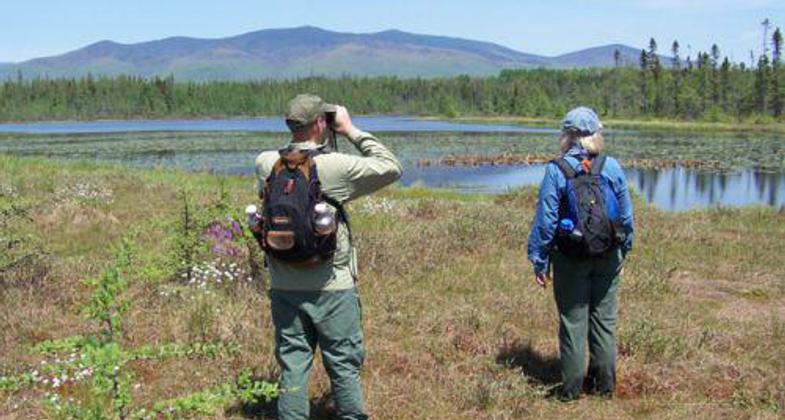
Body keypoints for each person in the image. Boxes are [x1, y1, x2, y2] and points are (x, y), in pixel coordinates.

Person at [255, 94, 402, 419]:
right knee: (343, 364)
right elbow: (391, 166)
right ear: (321, 123)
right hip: (332, 287)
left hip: (284, 286)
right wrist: (349, 129)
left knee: (292, 365)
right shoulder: (334, 167)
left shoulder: (266, 163)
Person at [527, 106, 634, 400]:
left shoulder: (556, 169)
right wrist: (624, 250)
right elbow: (625, 216)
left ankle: (571, 391)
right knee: (604, 321)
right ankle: (604, 388)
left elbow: (545, 221)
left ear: (567, 136)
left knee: (573, 322)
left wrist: (539, 261)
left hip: (570, 257)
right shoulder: (611, 166)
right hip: (608, 255)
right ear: (595, 134)